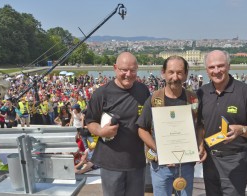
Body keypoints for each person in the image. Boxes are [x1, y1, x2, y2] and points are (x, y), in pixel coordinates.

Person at [137, 56, 206, 196]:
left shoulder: (193, 99)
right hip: (160, 165)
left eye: (180, 72)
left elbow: (199, 125)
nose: (175, 77)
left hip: (186, 164)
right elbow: (142, 129)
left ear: (186, 74)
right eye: (171, 72)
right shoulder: (154, 99)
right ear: (163, 73)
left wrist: (201, 143)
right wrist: (161, 150)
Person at [197, 50, 247, 196]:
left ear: (229, 66)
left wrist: (242, 130)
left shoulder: (245, 91)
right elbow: (200, 125)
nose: (216, 71)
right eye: (212, 67)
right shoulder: (201, 92)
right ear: (206, 70)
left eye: (220, 66)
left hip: (235, 160)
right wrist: (200, 144)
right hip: (210, 159)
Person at [85, 52, 150, 196]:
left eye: (133, 70)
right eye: (124, 70)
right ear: (115, 68)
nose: (128, 74)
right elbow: (90, 122)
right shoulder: (101, 93)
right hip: (111, 163)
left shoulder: (143, 91)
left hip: (136, 161)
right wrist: (102, 132)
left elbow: (149, 121)